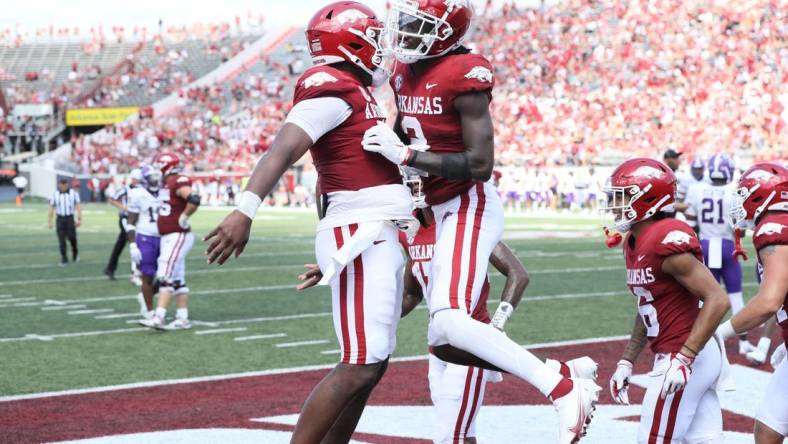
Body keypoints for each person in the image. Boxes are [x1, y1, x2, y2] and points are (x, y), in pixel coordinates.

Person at [364, 1, 599, 442]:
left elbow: (480, 163)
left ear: (448, 29)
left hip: (467, 200)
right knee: (443, 337)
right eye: (407, 24)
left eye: (420, 26)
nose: (408, 34)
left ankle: (563, 387)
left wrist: (406, 156)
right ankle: (561, 373)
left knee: (451, 321)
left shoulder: (464, 71)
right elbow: (407, 132)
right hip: (436, 205)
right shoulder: (402, 69)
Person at [202, 3, 416, 442]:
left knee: (371, 366)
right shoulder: (331, 87)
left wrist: (334, 251)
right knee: (360, 365)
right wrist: (245, 209)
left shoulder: (356, 92)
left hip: (366, 233)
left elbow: (327, 181)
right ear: (350, 42)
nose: (381, 47)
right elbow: (282, 150)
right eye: (374, 37)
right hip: (362, 230)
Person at [298, 171, 599, 443]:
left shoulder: (459, 227)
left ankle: (560, 377)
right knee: (459, 435)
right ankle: (561, 372)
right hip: (440, 346)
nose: (413, 190)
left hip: (470, 340)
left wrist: (498, 322)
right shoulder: (409, 232)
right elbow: (411, 294)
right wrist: (366, 302)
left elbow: (518, 273)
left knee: (450, 436)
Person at [602, 158, 730, 444]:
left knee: (653, 439)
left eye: (622, 197)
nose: (614, 205)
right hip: (689, 354)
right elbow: (648, 302)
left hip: (684, 353)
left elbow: (717, 299)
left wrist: (684, 358)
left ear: (646, 199)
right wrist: (627, 360)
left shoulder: (664, 239)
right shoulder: (635, 240)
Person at [715, 162, 788, 444]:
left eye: (745, 193)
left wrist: (719, 333)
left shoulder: (773, 228)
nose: (740, 201)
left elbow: (769, 301)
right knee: (767, 432)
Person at [684, 153, 754, 355]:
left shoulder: (697, 190)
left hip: (704, 245)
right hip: (727, 247)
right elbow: (739, 229)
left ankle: (699, 342)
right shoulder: (733, 193)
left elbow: (691, 224)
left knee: (705, 296)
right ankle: (743, 342)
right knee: (735, 295)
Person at [139, 152, 199, 330]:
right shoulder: (168, 183)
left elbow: (193, 198)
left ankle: (159, 316)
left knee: (165, 273)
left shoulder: (178, 181)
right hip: (169, 235)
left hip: (177, 234)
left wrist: (184, 216)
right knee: (178, 278)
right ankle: (182, 317)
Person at [126, 165, 162, 318]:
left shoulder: (166, 192)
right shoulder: (137, 194)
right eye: (151, 178)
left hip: (165, 238)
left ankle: (144, 297)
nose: (155, 181)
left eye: (156, 177)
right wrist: (133, 245)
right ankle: (149, 311)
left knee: (167, 277)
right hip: (145, 237)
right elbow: (130, 222)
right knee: (147, 276)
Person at [104, 169, 142, 282]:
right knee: (134, 244)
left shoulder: (142, 190)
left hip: (137, 219)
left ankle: (110, 269)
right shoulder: (126, 189)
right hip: (126, 219)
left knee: (120, 244)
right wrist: (124, 208)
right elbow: (112, 199)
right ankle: (134, 273)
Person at [48, 178, 81, 266]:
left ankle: (75, 252)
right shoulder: (55, 194)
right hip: (60, 219)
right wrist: (50, 221)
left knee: (72, 238)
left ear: (67, 185)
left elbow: (78, 206)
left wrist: (79, 219)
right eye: (61, 185)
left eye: (64, 185)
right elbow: (51, 207)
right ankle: (64, 258)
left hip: (70, 218)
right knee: (61, 240)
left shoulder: (74, 193)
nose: (63, 187)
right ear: (59, 185)